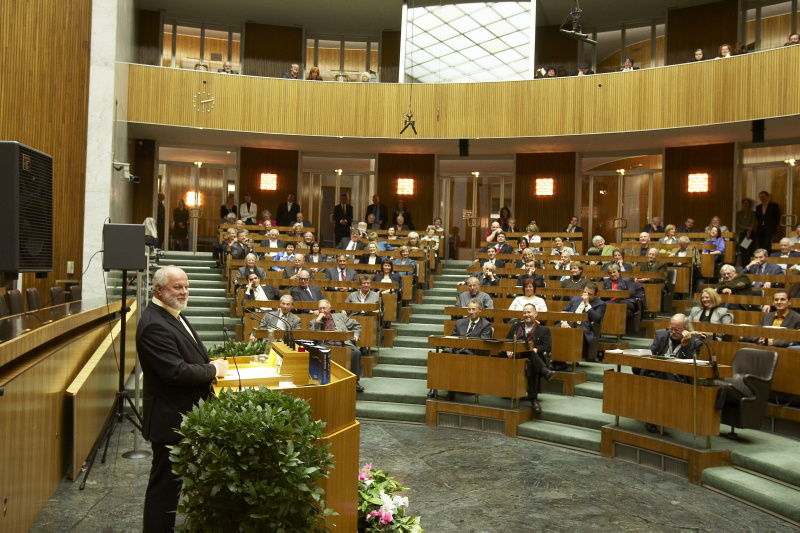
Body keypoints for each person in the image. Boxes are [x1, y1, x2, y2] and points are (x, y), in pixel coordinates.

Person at [137, 266, 228, 532]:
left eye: (186, 287)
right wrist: (212, 370)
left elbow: (190, 356)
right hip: (169, 420)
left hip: (181, 415)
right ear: (159, 290)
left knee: (171, 486)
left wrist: (208, 362)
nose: (184, 292)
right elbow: (175, 371)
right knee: (163, 489)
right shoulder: (154, 324)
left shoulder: (172, 314)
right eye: (177, 287)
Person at [504, 304, 556, 414]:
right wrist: (508, 349)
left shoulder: (543, 329)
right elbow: (507, 340)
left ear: (535, 314)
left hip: (532, 357)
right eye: (525, 313)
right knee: (530, 355)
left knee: (530, 357)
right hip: (515, 355)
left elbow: (547, 346)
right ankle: (545, 372)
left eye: (529, 312)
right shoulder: (516, 326)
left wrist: (537, 349)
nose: (527, 315)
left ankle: (533, 399)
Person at [311, 299, 364, 392]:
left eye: (324, 308)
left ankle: (355, 381)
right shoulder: (314, 321)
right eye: (320, 308)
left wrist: (356, 334)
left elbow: (357, 325)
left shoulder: (340, 317)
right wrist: (318, 320)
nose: (322, 311)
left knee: (356, 352)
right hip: (325, 346)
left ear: (330, 308)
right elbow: (311, 335)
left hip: (343, 344)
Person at [559, 283, 606, 362]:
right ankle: (556, 359)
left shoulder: (601, 304)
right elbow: (564, 311)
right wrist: (563, 321)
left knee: (571, 333)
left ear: (596, 295)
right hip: (567, 323)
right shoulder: (575, 298)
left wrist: (587, 304)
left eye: (589, 294)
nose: (586, 296)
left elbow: (597, 318)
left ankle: (564, 360)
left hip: (583, 328)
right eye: (585, 292)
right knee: (552, 331)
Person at [736, 198, 757, 265]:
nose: (745, 204)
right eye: (744, 203)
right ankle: (744, 265)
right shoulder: (739, 213)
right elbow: (737, 224)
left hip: (751, 234)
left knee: (751, 250)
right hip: (742, 233)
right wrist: (746, 227)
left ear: (749, 204)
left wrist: (749, 232)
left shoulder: (753, 213)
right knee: (743, 250)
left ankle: (751, 264)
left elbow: (753, 223)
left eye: (747, 203)